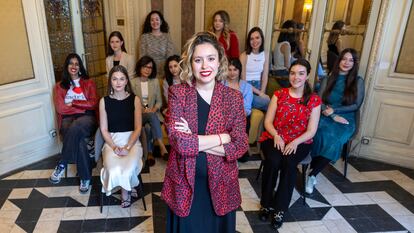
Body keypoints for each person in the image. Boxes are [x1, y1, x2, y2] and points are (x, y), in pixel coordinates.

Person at [161, 31, 248, 233]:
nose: (204, 66)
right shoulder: (178, 93)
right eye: (198, 60)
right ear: (190, 64)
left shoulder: (233, 98)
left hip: (221, 185)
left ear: (219, 62)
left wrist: (194, 139)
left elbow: (240, 145)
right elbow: (180, 143)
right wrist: (222, 137)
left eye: (210, 59)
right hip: (185, 185)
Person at [258, 58, 321, 229]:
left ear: (307, 76)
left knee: (289, 163)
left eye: (301, 73)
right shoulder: (279, 94)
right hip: (274, 137)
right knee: (273, 161)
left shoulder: (314, 100)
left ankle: (279, 209)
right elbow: (268, 122)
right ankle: (266, 203)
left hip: (300, 141)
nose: (296, 77)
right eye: (293, 73)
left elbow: (312, 130)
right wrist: (277, 136)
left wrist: (295, 142)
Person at [307, 48, 364, 194]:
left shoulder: (358, 81)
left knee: (334, 139)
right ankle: (313, 166)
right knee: (317, 133)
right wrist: (331, 114)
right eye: (344, 59)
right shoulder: (328, 79)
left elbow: (356, 105)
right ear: (339, 60)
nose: (346, 63)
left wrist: (336, 111)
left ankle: (312, 174)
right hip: (326, 114)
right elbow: (318, 100)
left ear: (354, 63)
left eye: (351, 60)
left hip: (346, 118)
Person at [49, 53, 99, 193]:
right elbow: (61, 108)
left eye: (77, 64)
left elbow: (93, 103)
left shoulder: (88, 82)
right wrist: (82, 107)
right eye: (71, 63)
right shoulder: (59, 86)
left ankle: (62, 163)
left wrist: (74, 103)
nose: (74, 66)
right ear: (66, 66)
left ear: (80, 66)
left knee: (76, 126)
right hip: (68, 118)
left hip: (87, 118)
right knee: (80, 140)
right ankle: (85, 177)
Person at [99, 65, 143, 208]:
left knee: (128, 168)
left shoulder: (135, 99)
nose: (118, 82)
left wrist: (128, 146)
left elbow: (138, 128)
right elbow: (104, 129)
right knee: (112, 169)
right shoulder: (104, 101)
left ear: (126, 81)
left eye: (121, 79)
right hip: (112, 141)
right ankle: (129, 185)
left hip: (132, 140)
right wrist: (114, 147)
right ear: (110, 81)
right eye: (115, 79)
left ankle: (125, 193)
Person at [130, 56, 168, 165]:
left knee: (147, 127)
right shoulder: (133, 82)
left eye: (150, 67)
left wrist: (154, 108)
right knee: (150, 116)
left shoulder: (154, 82)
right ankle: (161, 146)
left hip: (152, 114)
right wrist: (141, 109)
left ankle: (150, 153)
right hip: (139, 115)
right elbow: (131, 101)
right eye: (145, 67)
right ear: (140, 67)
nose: (147, 69)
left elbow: (159, 102)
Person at [223, 58, 253, 162]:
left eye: (235, 69)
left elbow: (247, 108)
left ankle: (242, 146)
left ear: (239, 70)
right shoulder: (221, 84)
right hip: (223, 117)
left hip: (241, 117)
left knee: (243, 159)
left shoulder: (247, 87)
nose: (232, 73)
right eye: (229, 69)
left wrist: (236, 118)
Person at [240, 27, 270, 111]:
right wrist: (259, 93)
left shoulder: (265, 54)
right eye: (251, 39)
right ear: (249, 41)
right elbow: (243, 81)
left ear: (261, 39)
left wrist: (262, 91)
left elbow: (265, 75)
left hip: (259, 85)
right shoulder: (244, 56)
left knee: (267, 102)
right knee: (268, 102)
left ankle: (246, 104)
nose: (254, 41)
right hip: (246, 88)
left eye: (257, 38)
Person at [139, 10, 176, 77]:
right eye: (152, 20)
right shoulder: (144, 37)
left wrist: (167, 71)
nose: (155, 22)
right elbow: (142, 58)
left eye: (157, 19)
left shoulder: (167, 36)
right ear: (149, 23)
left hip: (165, 72)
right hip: (149, 71)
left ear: (161, 21)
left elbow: (170, 57)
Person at [272, 20, 297, 87]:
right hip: (282, 73)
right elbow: (287, 65)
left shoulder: (278, 44)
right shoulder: (286, 45)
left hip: (276, 72)